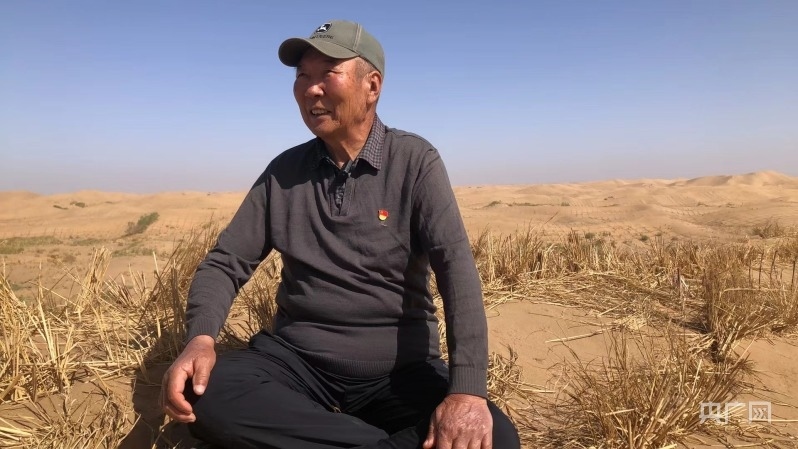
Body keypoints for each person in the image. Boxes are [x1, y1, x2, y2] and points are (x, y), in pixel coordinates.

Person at [161, 19, 521, 449]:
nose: (311, 90)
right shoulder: (284, 172)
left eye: (327, 74)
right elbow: (226, 262)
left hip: (399, 373)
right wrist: (200, 339)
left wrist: (466, 392)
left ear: (372, 86)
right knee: (205, 394)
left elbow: (457, 271)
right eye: (302, 76)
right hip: (297, 363)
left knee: (496, 438)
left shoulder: (415, 161)